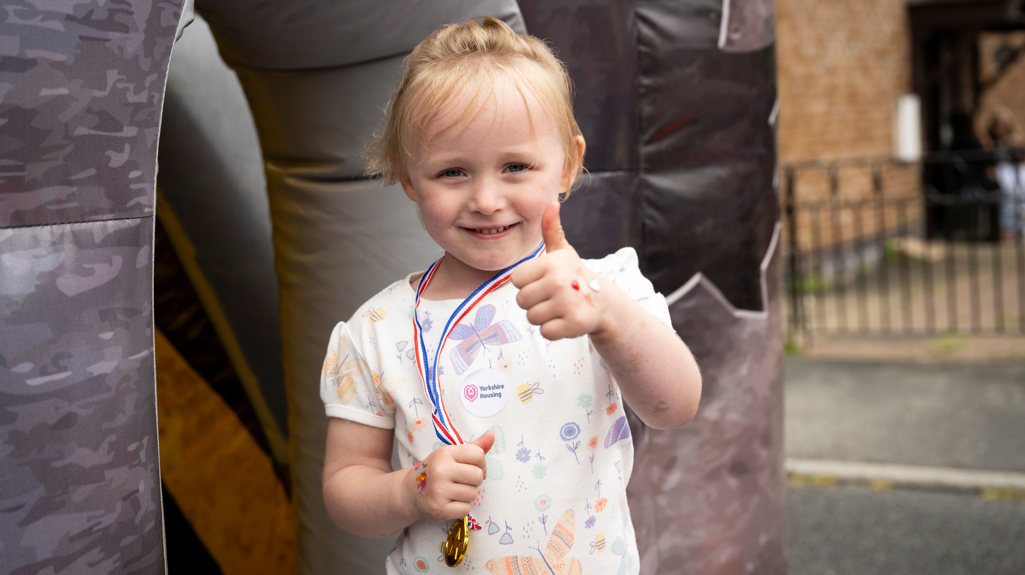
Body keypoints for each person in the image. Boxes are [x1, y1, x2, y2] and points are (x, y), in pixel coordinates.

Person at [319, 17, 702, 574]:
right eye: (453, 172)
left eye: (515, 166)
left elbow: (676, 406)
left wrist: (607, 316)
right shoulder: (378, 329)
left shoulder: (605, 291)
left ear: (568, 164)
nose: (486, 199)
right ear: (408, 178)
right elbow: (344, 485)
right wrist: (409, 492)